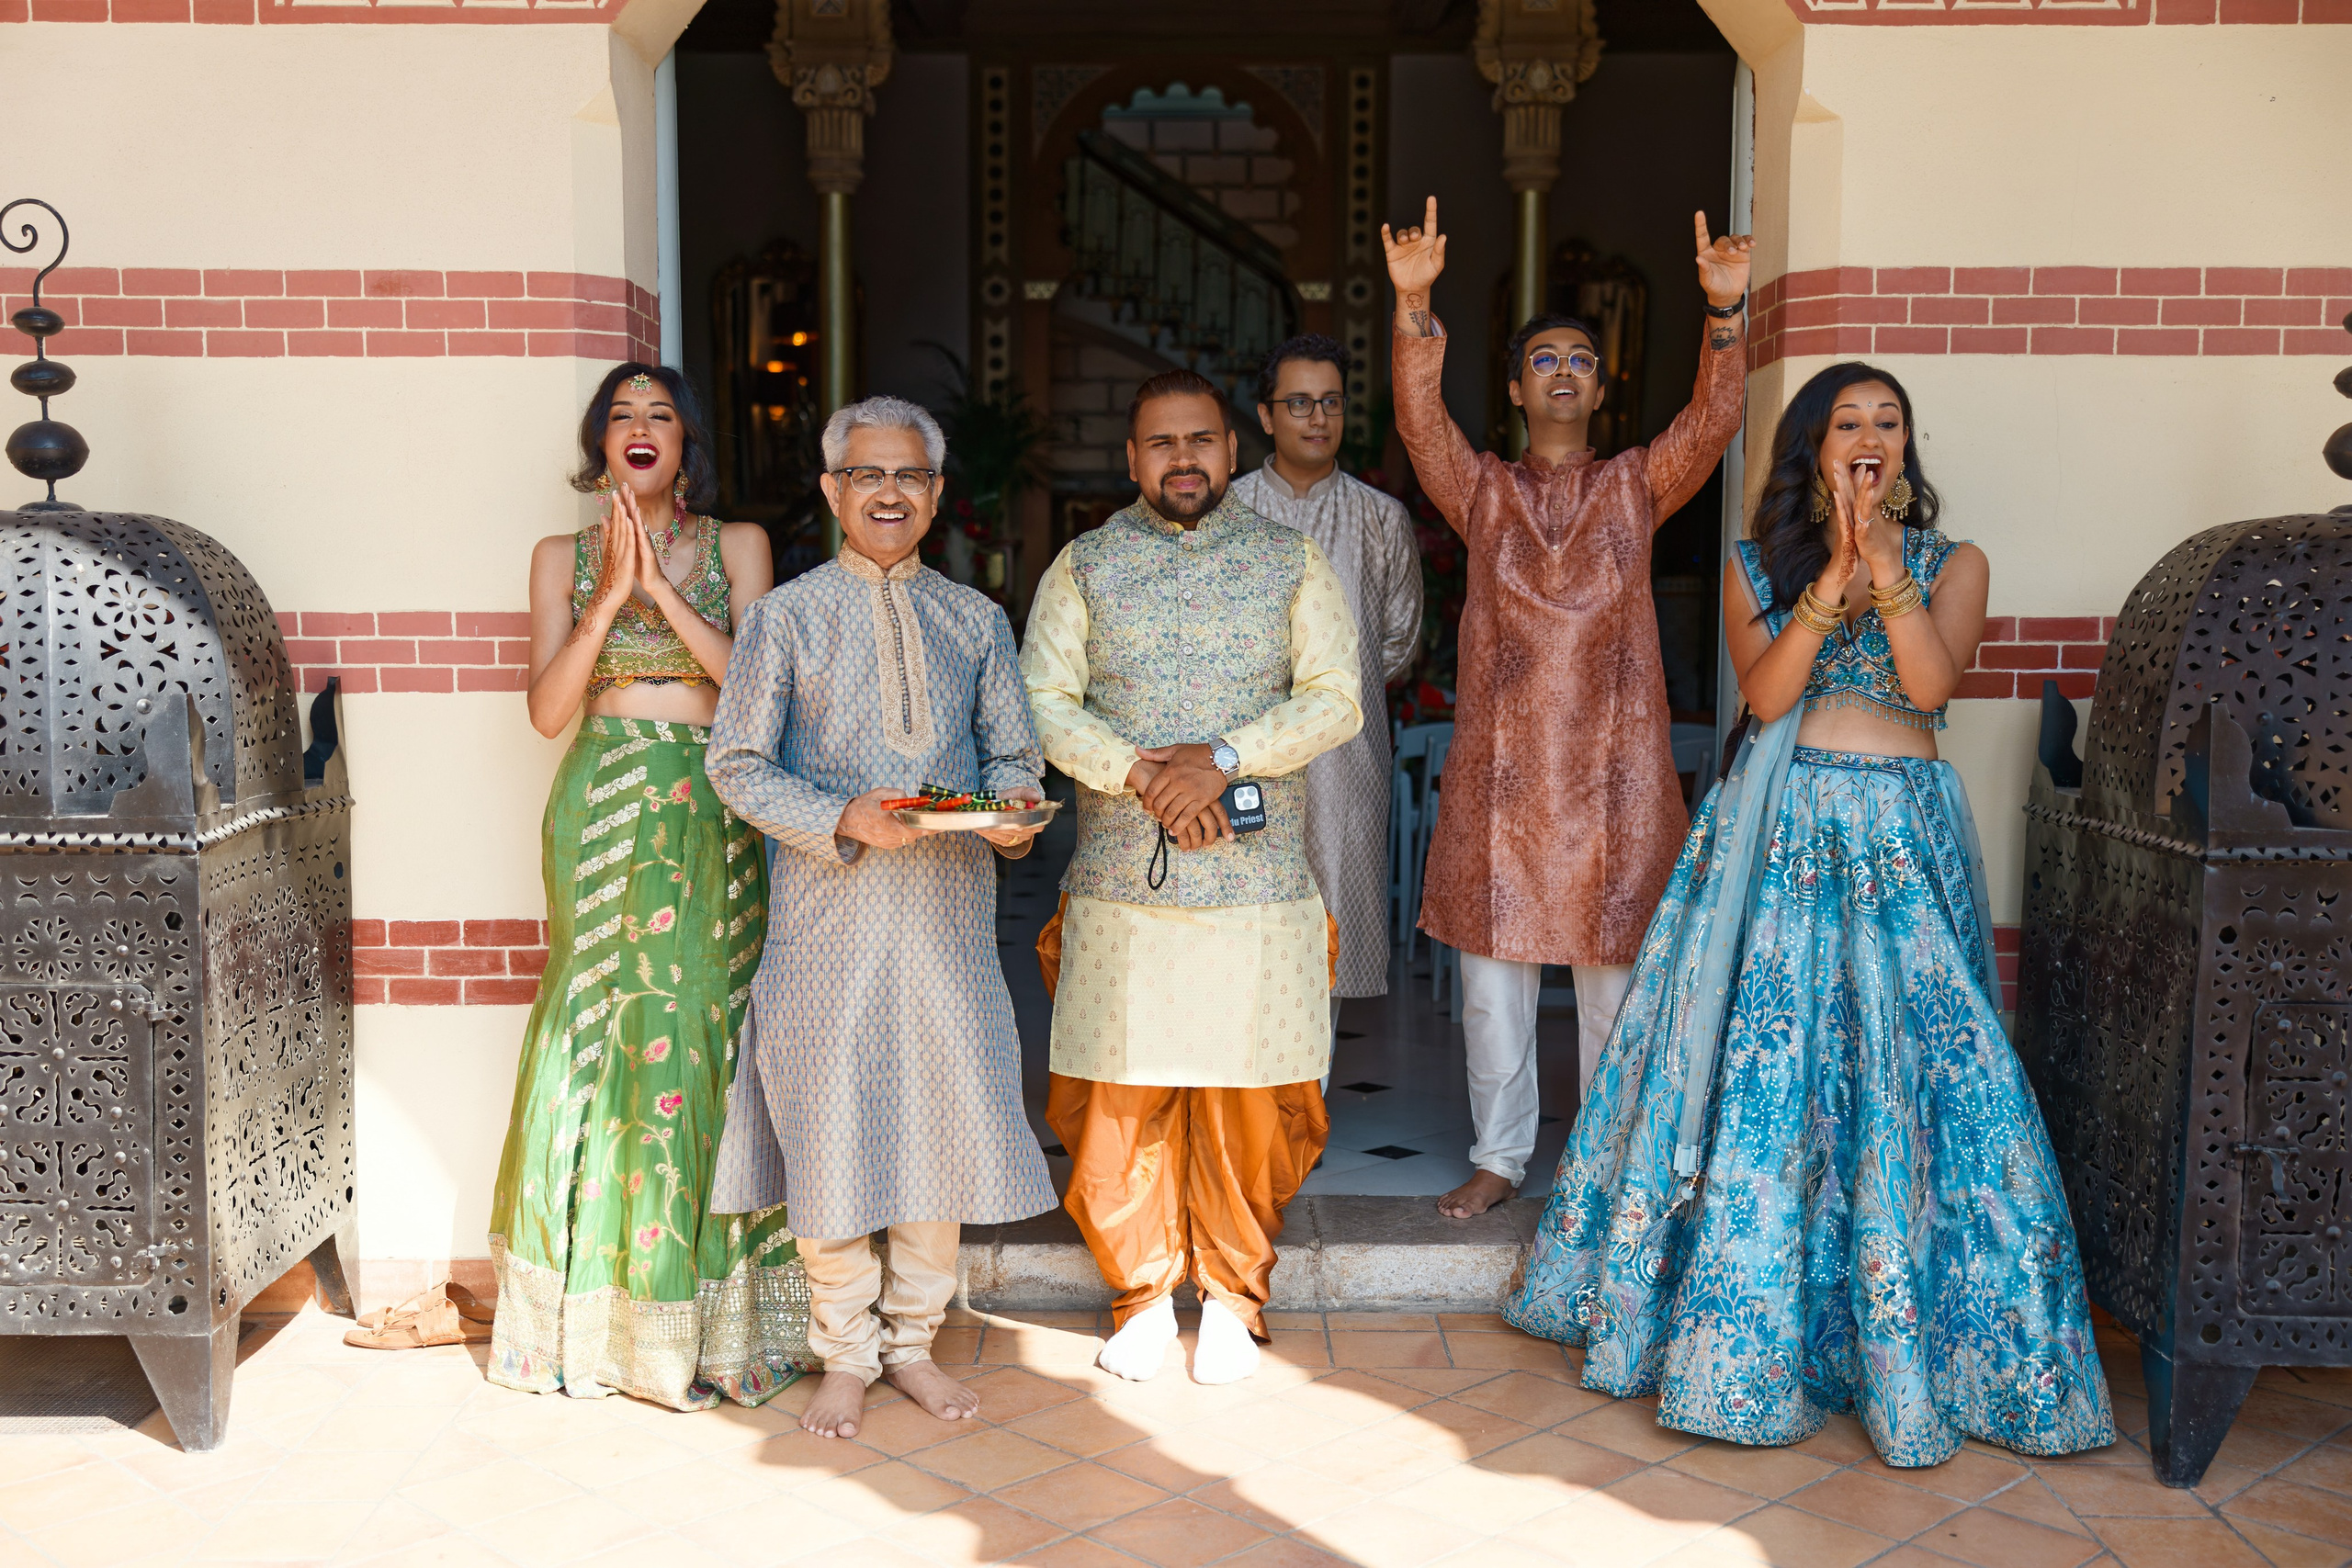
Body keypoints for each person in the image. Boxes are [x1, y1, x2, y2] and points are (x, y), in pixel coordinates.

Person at [1505, 363, 2116, 1465]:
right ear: (1811, 447)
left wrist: (1886, 569)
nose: (1870, 436)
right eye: (1848, 422)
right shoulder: (1754, 568)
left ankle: (1931, 1348)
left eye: (1889, 422)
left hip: (1900, 839)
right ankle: (1750, 1347)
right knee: (1770, 1085)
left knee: (1919, 1075)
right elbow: (1769, 696)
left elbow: (1930, 688)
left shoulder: (1952, 563)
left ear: (1907, 449)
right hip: (1778, 840)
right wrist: (1829, 578)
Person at [1385, 197, 1751, 1219]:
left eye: (1580, 361)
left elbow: (1714, 421)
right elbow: (1419, 424)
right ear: (1512, 387)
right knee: (1491, 993)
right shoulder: (1481, 491)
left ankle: (1599, 1166)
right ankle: (1498, 1158)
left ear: (1602, 387)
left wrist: (1724, 319)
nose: (1562, 372)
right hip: (1502, 781)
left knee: (1613, 991)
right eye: (1543, 359)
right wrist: (1414, 307)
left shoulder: (1638, 485)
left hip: (1613, 781)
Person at [704, 395, 1057, 1442]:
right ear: (832, 491)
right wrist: (839, 816)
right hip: (825, 928)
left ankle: (911, 1347)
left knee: (936, 1128)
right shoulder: (785, 618)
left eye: (909, 476)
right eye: (868, 476)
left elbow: (1013, 759)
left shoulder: (974, 620)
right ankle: (844, 1356)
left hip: (946, 927)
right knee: (830, 1132)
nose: (890, 492)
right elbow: (736, 766)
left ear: (937, 493)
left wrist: (1014, 820)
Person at [1022, 368, 1363, 1386]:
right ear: (1131, 460)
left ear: (1231, 449)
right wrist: (1140, 773)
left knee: (1249, 1099)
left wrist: (1221, 756)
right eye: (1161, 444)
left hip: (1258, 887)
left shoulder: (1288, 561)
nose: (1182, 459)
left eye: (1201, 441)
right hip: (1125, 883)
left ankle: (1227, 1295)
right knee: (1123, 1096)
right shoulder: (1084, 567)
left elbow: (1337, 697)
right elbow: (1041, 700)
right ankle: (1137, 1298)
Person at [486, 362, 805, 1408]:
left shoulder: (739, 547)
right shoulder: (558, 557)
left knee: (706, 1017)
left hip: (712, 804)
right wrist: (609, 598)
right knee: (603, 1022)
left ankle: (707, 1324)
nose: (639, 427)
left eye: (660, 413)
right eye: (620, 414)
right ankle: (592, 1321)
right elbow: (547, 712)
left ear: (686, 443)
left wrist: (662, 590)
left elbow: (754, 691)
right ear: (599, 441)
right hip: (603, 802)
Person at [1229, 335, 1423, 1015]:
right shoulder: (1229, 511)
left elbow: (1396, 641)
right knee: (1241, 924)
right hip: (1239, 754)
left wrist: (1335, 695)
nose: (1317, 418)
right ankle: (1249, 1113)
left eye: (1331, 402)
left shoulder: (1380, 518)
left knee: (1331, 923)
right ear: (1265, 414)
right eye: (1300, 403)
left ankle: (1305, 1109)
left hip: (1346, 757)